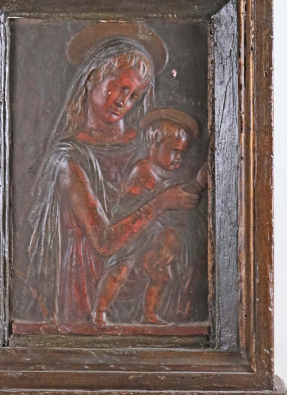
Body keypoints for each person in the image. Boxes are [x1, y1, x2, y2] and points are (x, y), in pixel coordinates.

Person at [20, 23, 202, 328]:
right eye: (118, 87)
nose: (122, 101)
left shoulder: (149, 145)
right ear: (93, 77)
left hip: (144, 278)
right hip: (84, 287)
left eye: (134, 95)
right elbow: (104, 242)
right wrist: (162, 202)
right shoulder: (69, 158)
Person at [92, 108, 208, 326]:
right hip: (133, 233)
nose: (178, 158)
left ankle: (150, 314)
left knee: (160, 272)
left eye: (182, 153)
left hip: (154, 230)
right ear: (154, 145)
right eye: (173, 151)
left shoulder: (170, 173)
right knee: (120, 271)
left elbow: (176, 200)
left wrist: (197, 184)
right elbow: (142, 204)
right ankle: (99, 312)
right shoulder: (143, 169)